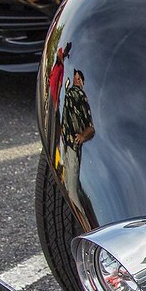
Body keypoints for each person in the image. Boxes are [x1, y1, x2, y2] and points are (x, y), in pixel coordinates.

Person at [60, 69, 95, 219]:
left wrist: (81, 136)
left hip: (72, 144)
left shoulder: (80, 96)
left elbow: (91, 127)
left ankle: (83, 221)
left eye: (78, 78)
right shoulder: (70, 93)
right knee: (66, 183)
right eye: (75, 77)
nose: (76, 79)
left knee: (72, 190)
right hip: (65, 142)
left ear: (81, 81)